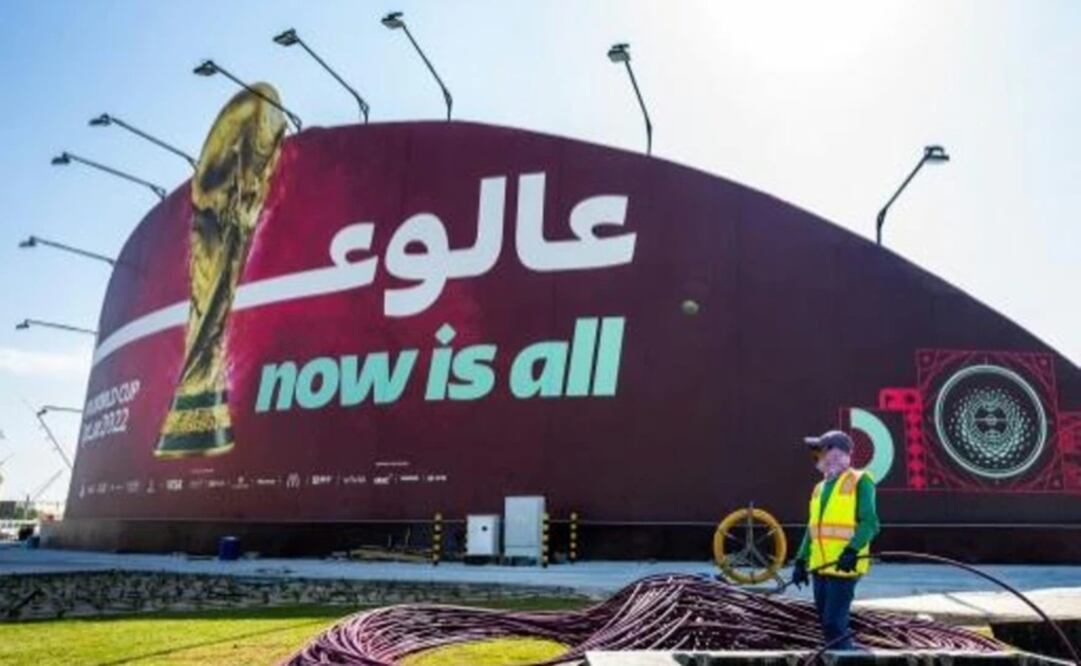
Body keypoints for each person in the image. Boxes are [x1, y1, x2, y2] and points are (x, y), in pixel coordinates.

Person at [790, 430, 880, 651]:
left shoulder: (860, 481)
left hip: (844, 567)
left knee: (833, 624)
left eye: (820, 452)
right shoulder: (820, 488)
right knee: (827, 624)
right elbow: (812, 529)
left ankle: (847, 657)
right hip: (821, 568)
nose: (817, 458)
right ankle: (844, 654)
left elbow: (870, 523)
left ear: (838, 454)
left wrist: (852, 550)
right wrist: (801, 561)